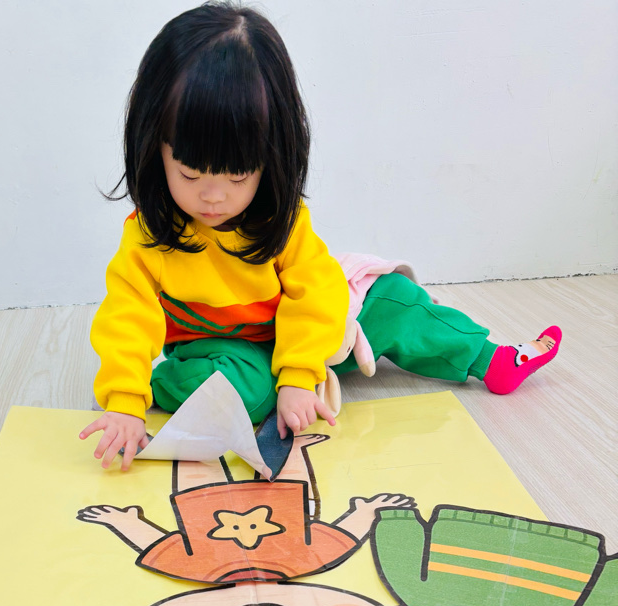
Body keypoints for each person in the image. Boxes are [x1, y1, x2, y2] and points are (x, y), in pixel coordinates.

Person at [80, 2, 561, 470]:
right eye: (189, 174)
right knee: (243, 390)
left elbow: (315, 293)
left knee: (395, 298)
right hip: (224, 350)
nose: (213, 197)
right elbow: (128, 317)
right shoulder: (148, 236)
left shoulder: (282, 218)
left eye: (238, 176)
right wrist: (125, 402)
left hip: (301, 338)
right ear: (154, 146)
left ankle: (490, 359)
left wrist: (297, 375)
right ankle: (167, 384)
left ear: (272, 155)